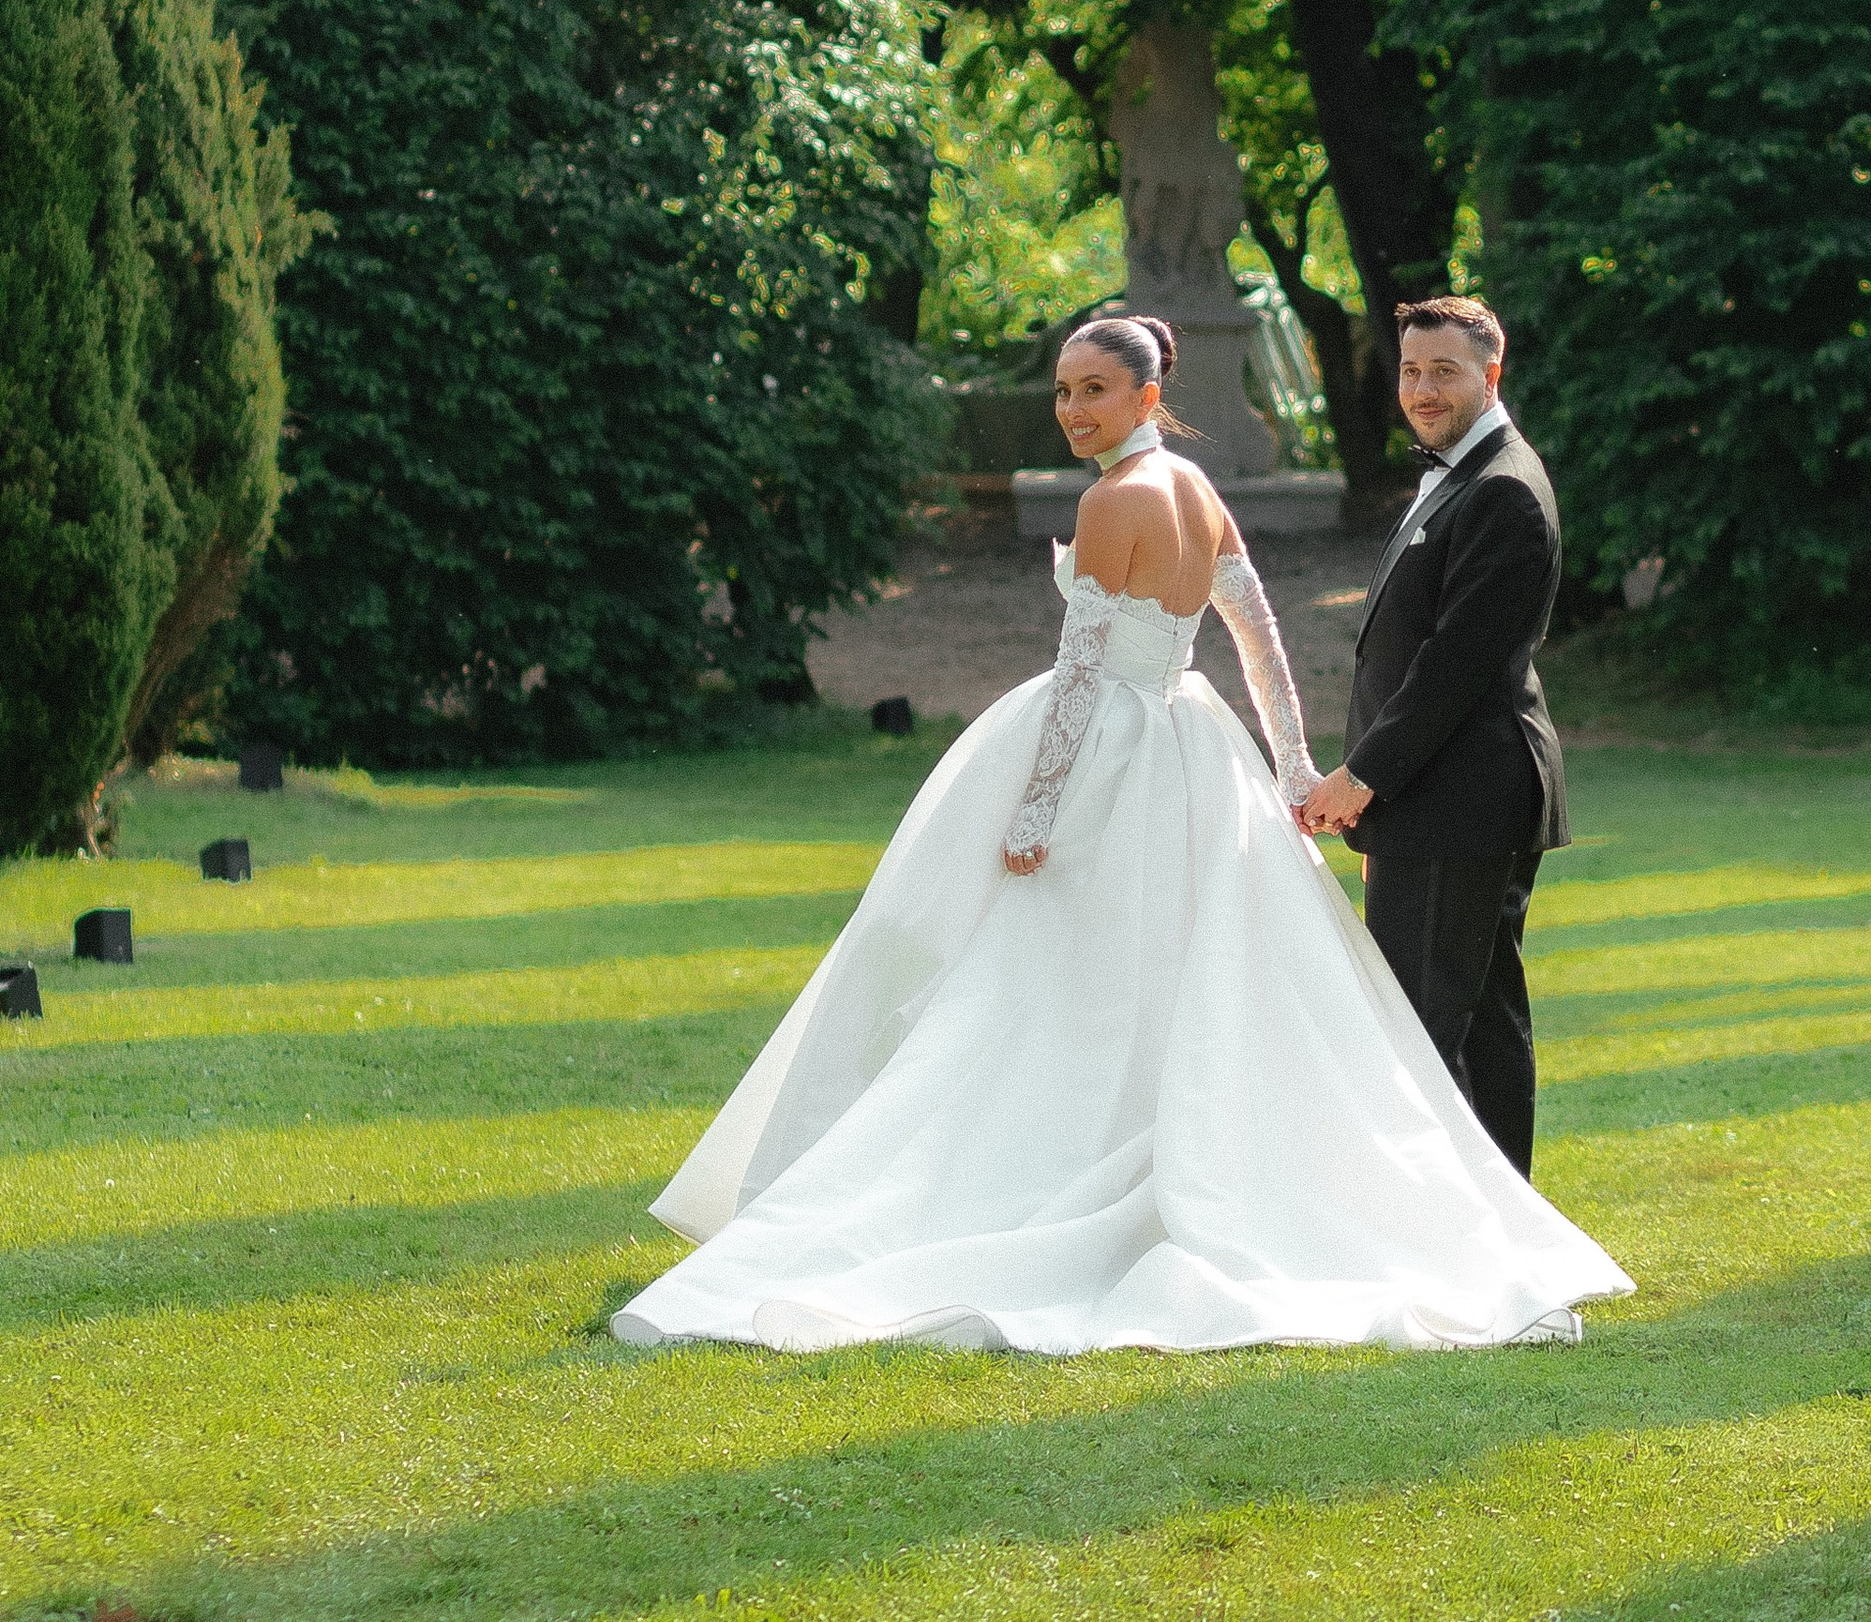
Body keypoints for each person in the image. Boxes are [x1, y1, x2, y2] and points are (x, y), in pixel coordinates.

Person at [612, 310, 1627, 1356]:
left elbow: (1084, 670)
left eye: (1094, 390)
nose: (1072, 412)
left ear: (1149, 397)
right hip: (1194, 744)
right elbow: (1255, 637)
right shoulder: (1197, 489)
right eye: (1061, 392)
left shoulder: (1117, 501)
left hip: (1110, 755)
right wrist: (1282, 765)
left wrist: (1035, 810)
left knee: (1029, 978)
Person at [1298, 296, 1566, 1177]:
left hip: (1463, 798)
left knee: (1422, 1025)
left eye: (1443, 371)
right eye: (1411, 370)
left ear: (1491, 375)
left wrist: (1360, 780)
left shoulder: (1502, 490)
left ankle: (1452, 1239)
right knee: (1482, 1020)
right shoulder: (1459, 476)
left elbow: (1455, 668)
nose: (1421, 388)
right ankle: (1507, 1233)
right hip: (1437, 802)